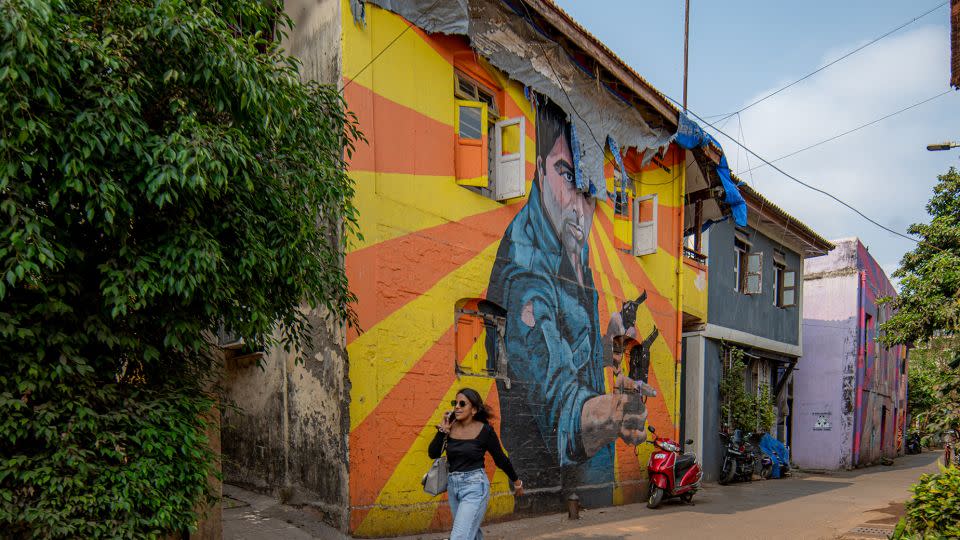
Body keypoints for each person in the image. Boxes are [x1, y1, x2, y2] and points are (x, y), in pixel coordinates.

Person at [486, 99, 653, 505]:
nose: (580, 206)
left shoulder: (569, 243)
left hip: (589, 483)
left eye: (589, 193)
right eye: (566, 175)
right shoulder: (525, 267)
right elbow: (556, 392)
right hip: (552, 492)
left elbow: (571, 349)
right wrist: (612, 414)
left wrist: (605, 341)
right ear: (539, 168)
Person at [428, 388, 522, 540]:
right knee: (471, 531)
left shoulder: (485, 431)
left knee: (460, 535)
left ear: (474, 410)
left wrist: (516, 481)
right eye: (455, 403)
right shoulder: (450, 426)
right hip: (453, 486)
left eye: (462, 403)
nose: (457, 406)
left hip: (475, 486)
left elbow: (500, 459)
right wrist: (442, 430)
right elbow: (433, 454)